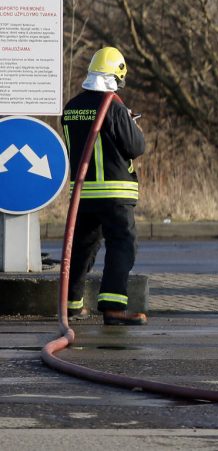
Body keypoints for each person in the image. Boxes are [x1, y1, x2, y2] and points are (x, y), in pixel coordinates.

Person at [62, 47, 148, 326]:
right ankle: (113, 308)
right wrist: (133, 126)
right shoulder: (113, 106)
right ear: (115, 75)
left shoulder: (72, 107)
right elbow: (135, 147)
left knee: (81, 248)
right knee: (122, 244)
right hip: (115, 193)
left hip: (83, 194)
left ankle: (72, 305)